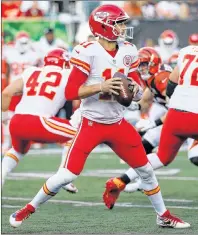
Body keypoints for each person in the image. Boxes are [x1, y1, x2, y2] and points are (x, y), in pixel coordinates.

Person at [9, 4, 190, 229]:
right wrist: (101, 86)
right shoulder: (86, 51)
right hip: (91, 123)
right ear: (104, 26)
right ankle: (29, 208)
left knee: (145, 169)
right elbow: (71, 92)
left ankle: (163, 215)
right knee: (66, 175)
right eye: (119, 23)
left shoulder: (129, 50)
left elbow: (137, 88)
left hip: (117, 123)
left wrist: (133, 93)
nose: (124, 27)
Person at [105, 44, 198, 200]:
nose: (141, 69)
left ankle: (121, 180)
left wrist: (153, 122)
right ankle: (144, 181)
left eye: (143, 65)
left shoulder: (185, 52)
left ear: (153, 62)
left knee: (161, 156)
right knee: (149, 145)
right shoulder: (156, 78)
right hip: (187, 113)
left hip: (174, 115)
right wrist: (135, 106)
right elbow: (150, 97)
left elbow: (171, 87)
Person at [2, 48, 78, 194]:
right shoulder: (67, 74)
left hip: (16, 120)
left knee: (18, 150)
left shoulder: (31, 71)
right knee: (79, 135)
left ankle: (2, 174)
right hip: (39, 121)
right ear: (64, 62)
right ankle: (64, 176)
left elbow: (6, 93)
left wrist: (4, 117)